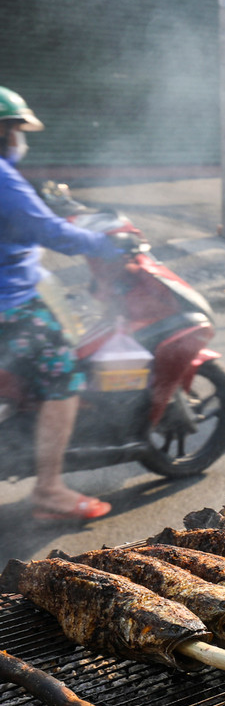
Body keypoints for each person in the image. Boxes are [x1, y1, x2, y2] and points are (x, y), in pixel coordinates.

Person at [0, 87, 123, 522]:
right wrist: (107, 245)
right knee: (64, 371)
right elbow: (50, 233)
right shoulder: (2, 176)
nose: (18, 140)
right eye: (14, 130)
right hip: (9, 302)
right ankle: (49, 490)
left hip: (24, 285)